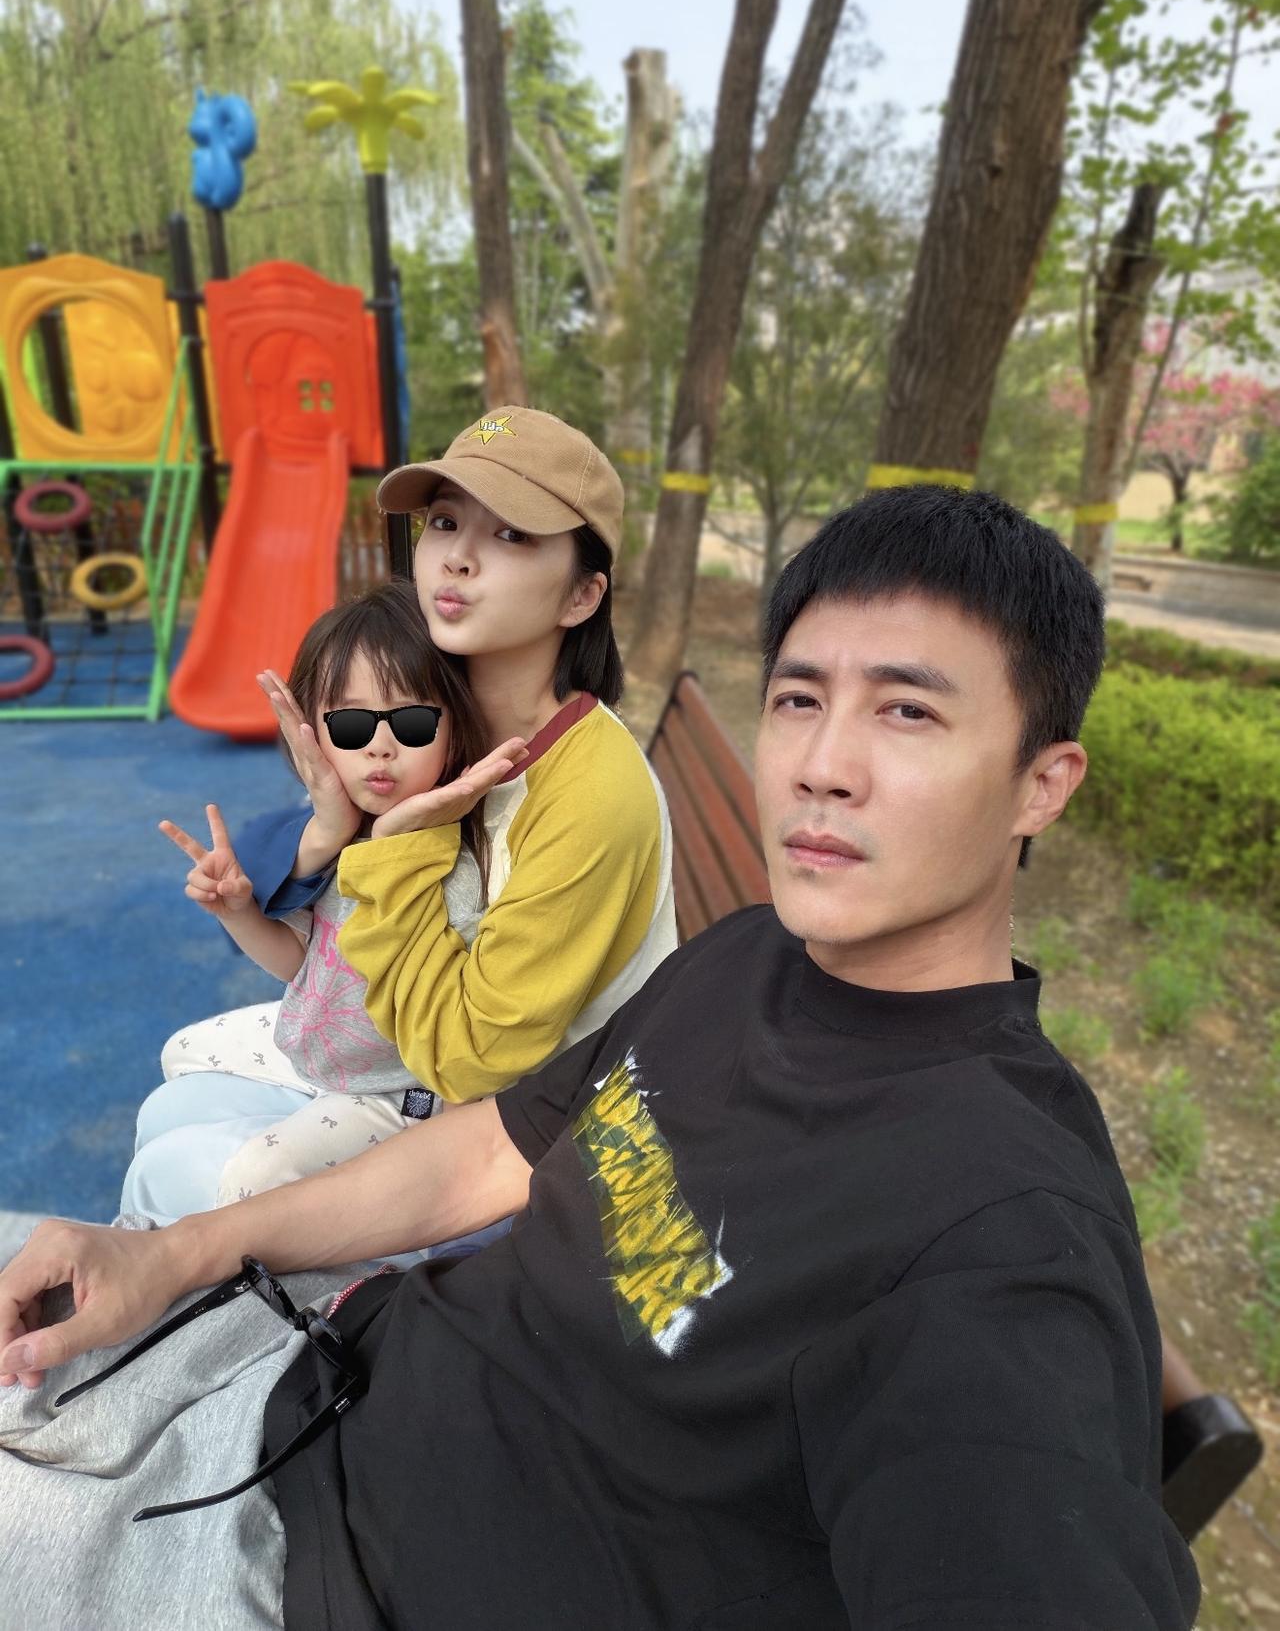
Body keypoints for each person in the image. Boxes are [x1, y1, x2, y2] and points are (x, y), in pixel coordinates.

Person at [0, 486, 1200, 1631]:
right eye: (796, 698)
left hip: (288, 1578)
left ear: (1040, 783)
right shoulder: (745, 957)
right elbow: (490, 1150)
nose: (820, 764)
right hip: (295, 1377)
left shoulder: (993, 1239)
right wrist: (169, 1253)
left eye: (907, 711)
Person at [121, 405, 677, 1226]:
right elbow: (329, 905)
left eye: (512, 534)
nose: (457, 556)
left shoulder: (591, 793)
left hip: (532, 1131)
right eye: (445, 521)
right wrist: (329, 822)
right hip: (412, 1057)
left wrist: (391, 845)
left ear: (582, 594)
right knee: (170, 1107)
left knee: (182, 1178)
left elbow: (471, 1057)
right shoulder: (441, 719)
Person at [143, 581, 516, 1212]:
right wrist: (237, 912)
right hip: (318, 1057)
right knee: (179, 1052)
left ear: (457, 728)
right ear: (313, 733)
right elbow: (299, 963)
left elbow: (468, 1029)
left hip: (397, 1094)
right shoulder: (344, 833)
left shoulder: (455, 864)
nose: (379, 745)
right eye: (350, 723)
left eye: (413, 722)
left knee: (253, 1179)